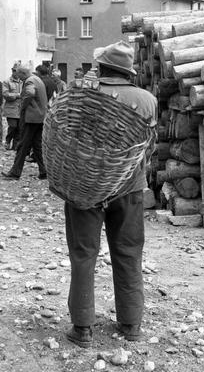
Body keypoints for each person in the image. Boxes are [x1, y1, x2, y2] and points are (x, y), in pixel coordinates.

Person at [63, 41, 157, 349]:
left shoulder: (83, 96)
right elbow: (149, 147)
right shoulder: (147, 100)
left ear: (101, 69)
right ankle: (131, 324)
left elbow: (70, 139)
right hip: (130, 187)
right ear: (127, 72)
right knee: (128, 252)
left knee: (83, 254)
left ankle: (82, 328)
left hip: (86, 189)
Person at [1, 65, 47, 180]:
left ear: (22, 73)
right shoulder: (38, 79)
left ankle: (15, 172)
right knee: (37, 145)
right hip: (40, 117)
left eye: (18, 74)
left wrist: (22, 105)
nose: (18, 77)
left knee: (22, 145)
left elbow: (30, 93)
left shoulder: (29, 81)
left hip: (30, 118)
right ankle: (44, 170)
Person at [3, 65, 22, 150]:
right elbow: (6, 95)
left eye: (17, 71)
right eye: (14, 71)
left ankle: (16, 145)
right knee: (13, 126)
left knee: (19, 128)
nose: (15, 73)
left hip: (20, 109)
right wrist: (17, 95)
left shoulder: (23, 81)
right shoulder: (7, 81)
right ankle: (8, 140)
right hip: (11, 109)